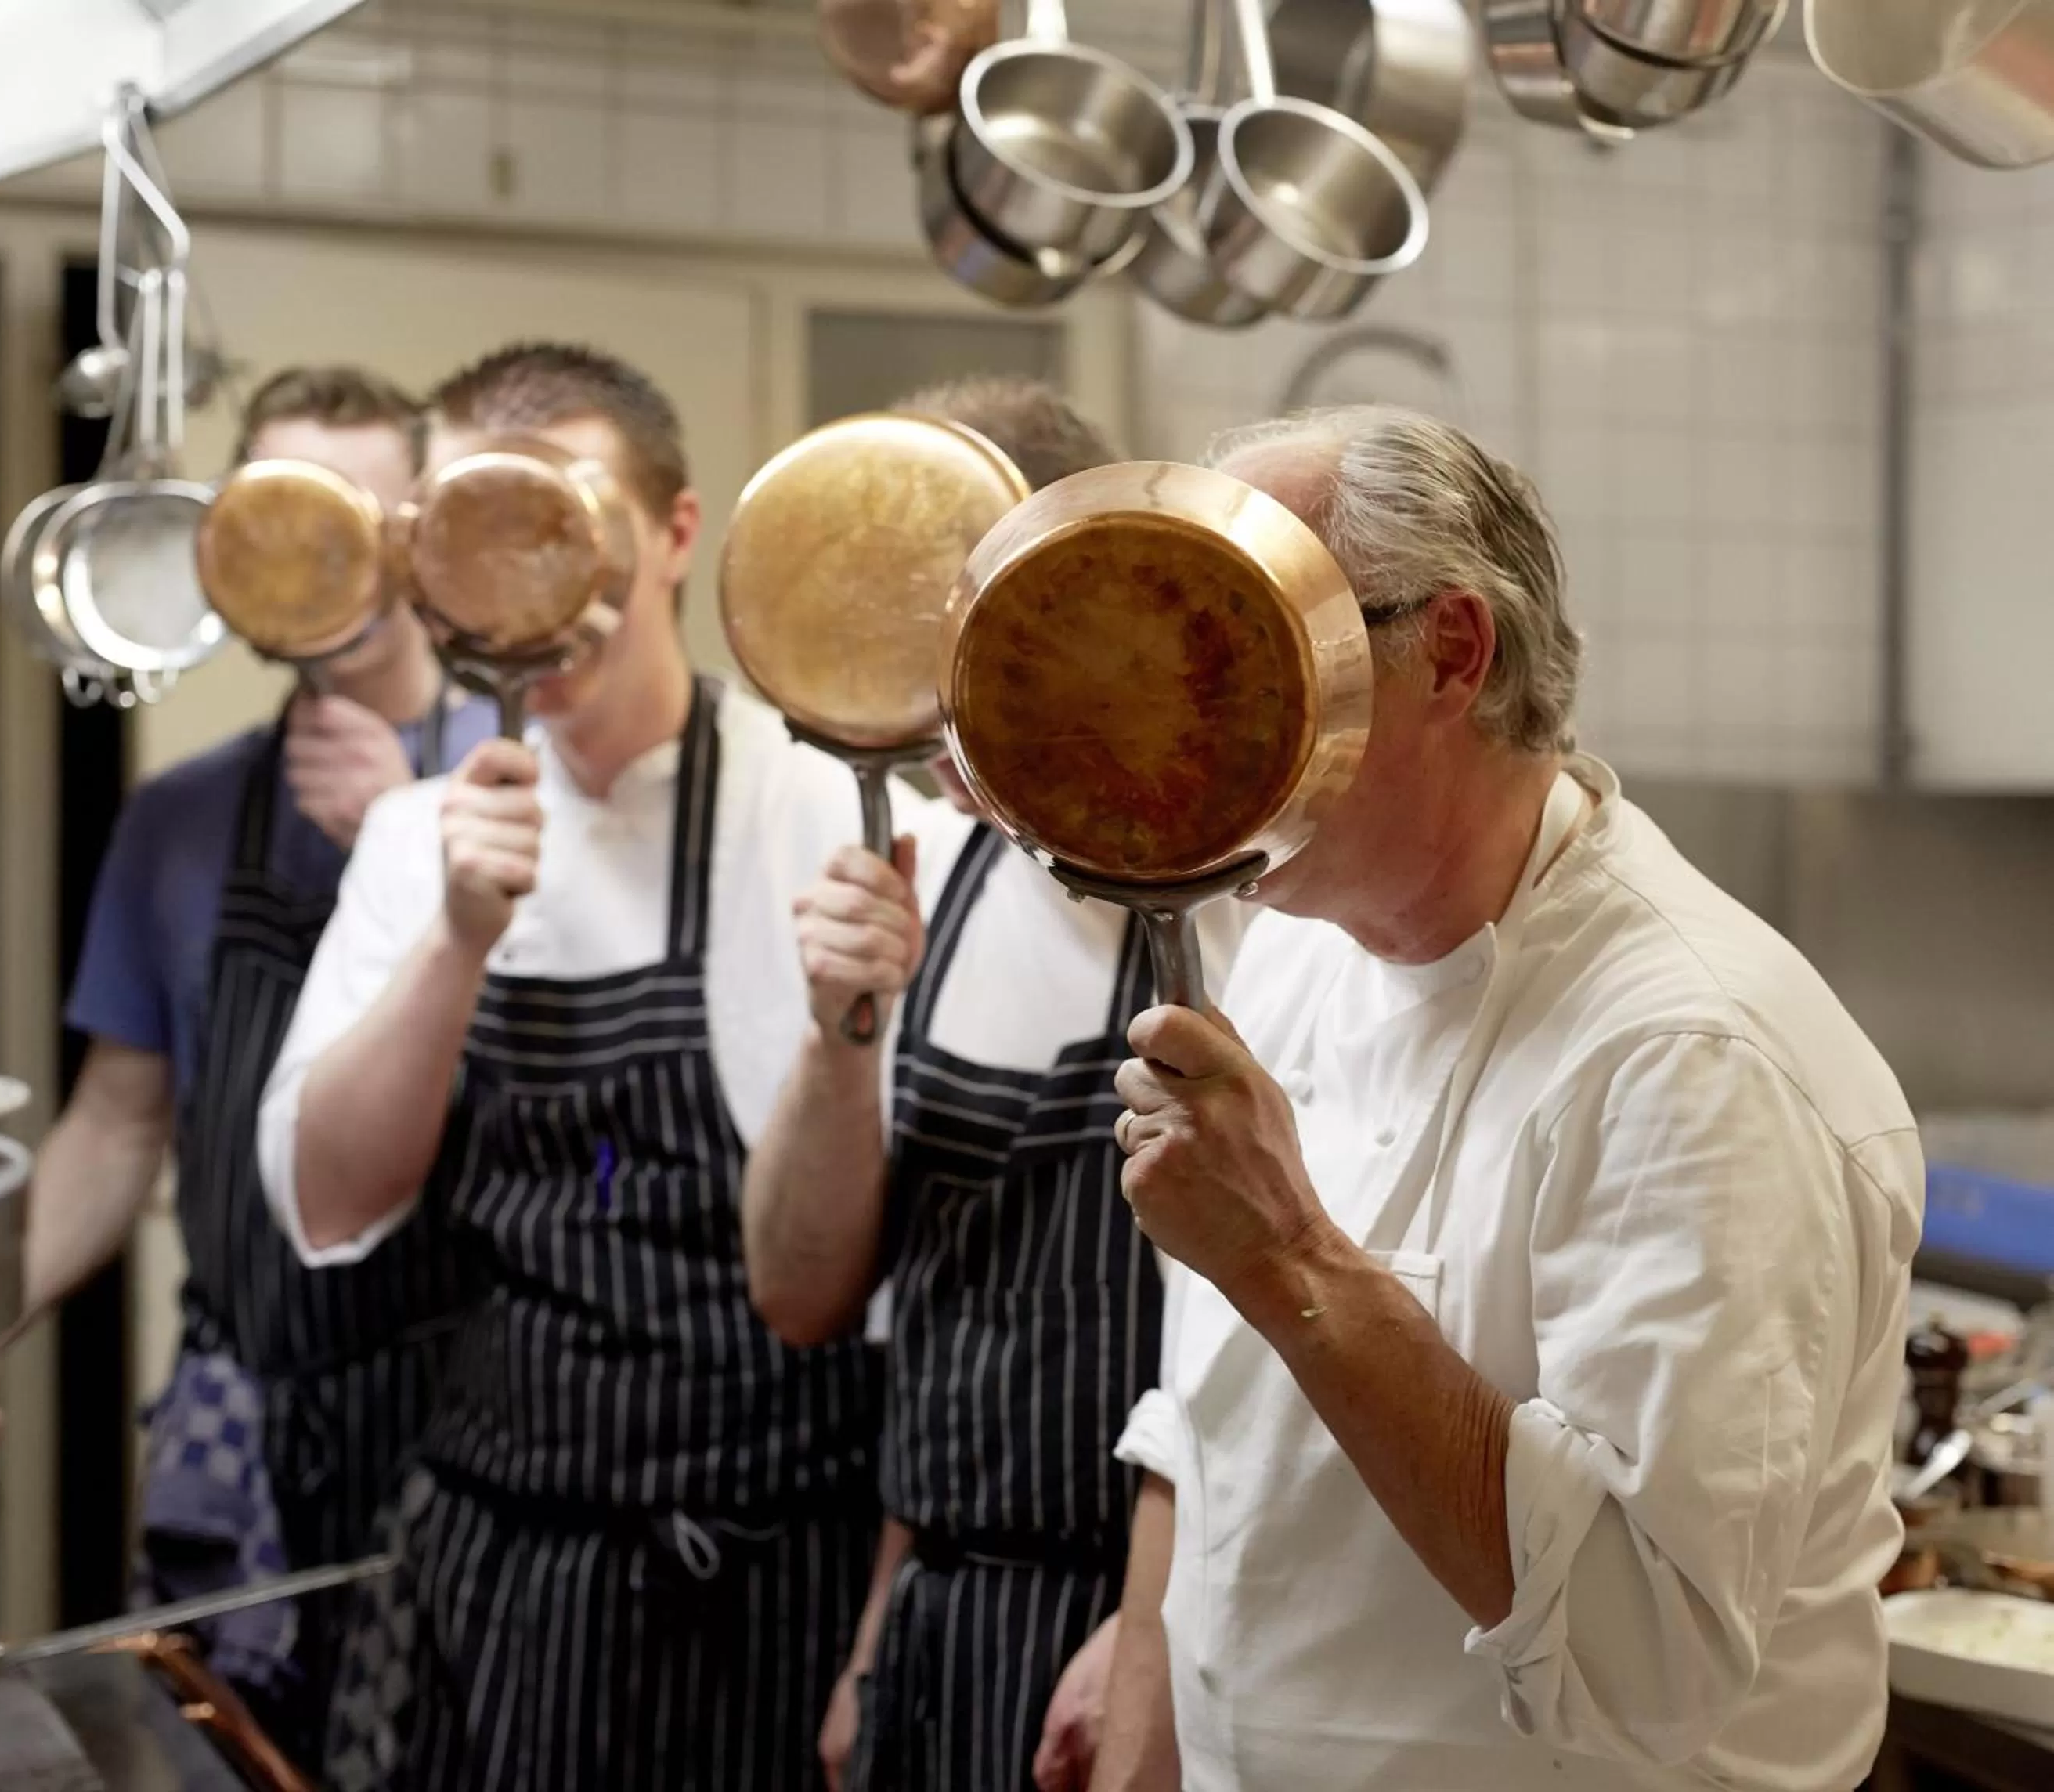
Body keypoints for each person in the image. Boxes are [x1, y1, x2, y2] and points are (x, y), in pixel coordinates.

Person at [1092, 406, 1923, 1792]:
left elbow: (1646, 1658)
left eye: (1251, 654)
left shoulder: (1688, 1055)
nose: (1192, 718)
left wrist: (1292, 1257)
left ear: (1453, 653)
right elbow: (1210, 1423)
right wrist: (1139, 1724)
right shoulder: (1294, 944)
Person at [254, 342, 961, 1791]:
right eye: (483, 537)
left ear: (677, 534)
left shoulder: (822, 808)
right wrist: (454, 937)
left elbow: (848, 1287)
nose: (542, 587)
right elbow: (325, 1203)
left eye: (575, 530)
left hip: (764, 1571)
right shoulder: (421, 837)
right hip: (499, 1566)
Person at [0, 366, 502, 1759]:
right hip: (236, 1426)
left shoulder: (505, 791)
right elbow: (115, 1126)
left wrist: (402, 848)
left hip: (464, 1423)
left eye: (358, 516)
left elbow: (579, 1111)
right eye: (283, 512)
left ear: (418, 538)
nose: (319, 553)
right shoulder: (178, 821)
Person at [738, 375, 1248, 1792]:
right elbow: (805, 1297)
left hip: (1160, 1631)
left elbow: (1268, 1347)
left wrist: (1152, 1636)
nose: (937, 721)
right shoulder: (936, 876)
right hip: (936, 1621)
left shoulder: (1251, 914)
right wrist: (842, 1036)